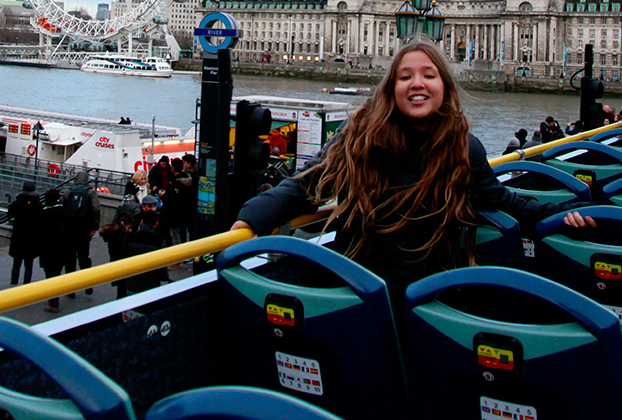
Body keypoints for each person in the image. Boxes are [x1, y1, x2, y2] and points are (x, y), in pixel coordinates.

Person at [232, 40, 593, 301]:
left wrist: (563, 215)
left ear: (443, 87)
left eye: (428, 75)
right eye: (405, 77)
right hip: (358, 287)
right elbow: (309, 183)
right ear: (392, 89)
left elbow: (501, 200)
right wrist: (250, 221)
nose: (417, 83)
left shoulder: (464, 148)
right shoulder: (358, 137)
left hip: (432, 295)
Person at [39, 189, 76, 313]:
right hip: (62, 247)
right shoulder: (64, 211)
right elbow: (71, 227)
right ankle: (53, 300)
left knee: (50, 274)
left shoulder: (42, 214)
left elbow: (38, 233)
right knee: (57, 273)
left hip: (47, 249)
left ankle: (53, 301)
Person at [64, 171, 99, 295]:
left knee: (70, 259)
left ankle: (70, 289)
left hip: (70, 230)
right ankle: (87, 285)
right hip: (84, 230)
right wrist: (94, 227)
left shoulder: (68, 191)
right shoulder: (90, 192)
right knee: (84, 257)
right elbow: (96, 209)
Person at [8, 181, 42, 286]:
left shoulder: (16, 202)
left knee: (16, 263)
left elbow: (10, 216)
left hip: (18, 236)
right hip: (31, 237)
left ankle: (14, 283)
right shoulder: (38, 204)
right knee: (29, 264)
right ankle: (27, 284)